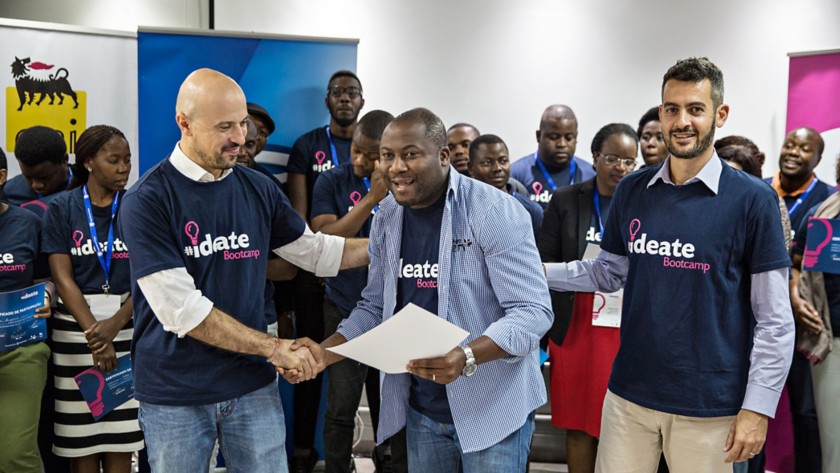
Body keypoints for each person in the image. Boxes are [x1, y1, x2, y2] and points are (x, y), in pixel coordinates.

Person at [543, 57, 794, 472]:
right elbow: (607, 272)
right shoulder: (633, 189)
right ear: (661, 113)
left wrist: (757, 408)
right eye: (672, 109)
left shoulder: (754, 200)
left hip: (712, 406)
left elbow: (774, 320)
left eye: (695, 109)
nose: (682, 121)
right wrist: (536, 274)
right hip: (629, 398)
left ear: (720, 114)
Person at [116, 68, 368, 473]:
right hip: (177, 393)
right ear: (184, 124)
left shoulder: (258, 187)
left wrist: (388, 249)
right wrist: (273, 348)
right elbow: (183, 310)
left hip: (251, 386)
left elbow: (315, 252)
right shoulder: (147, 200)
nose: (239, 137)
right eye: (224, 127)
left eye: (241, 124)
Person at [301, 108, 552, 472]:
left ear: (443, 156)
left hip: (493, 411)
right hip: (422, 412)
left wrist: (465, 357)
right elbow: (374, 307)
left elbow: (533, 312)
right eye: (388, 155)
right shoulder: (388, 215)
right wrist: (324, 354)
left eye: (411, 154)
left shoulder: (495, 211)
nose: (396, 166)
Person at [41, 125, 144, 472]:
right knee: (80, 444)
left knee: (123, 440)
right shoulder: (62, 208)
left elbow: (150, 275)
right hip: (74, 334)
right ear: (88, 162)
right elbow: (62, 277)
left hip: (128, 330)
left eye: (127, 160)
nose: (123, 168)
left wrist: (114, 325)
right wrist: (96, 337)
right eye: (113, 160)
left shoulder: (139, 206)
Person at [538, 123, 638, 473]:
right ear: (594, 158)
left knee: (625, 426)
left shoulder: (644, 201)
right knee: (580, 425)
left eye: (630, 162)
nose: (621, 169)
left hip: (627, 325)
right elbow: (543, 260)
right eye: (612, 158)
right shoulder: (567, 199)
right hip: (577, 323)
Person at [310, 110, 406, 473]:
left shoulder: (406, 185)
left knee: (392, 407)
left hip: (394, 311)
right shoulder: (332, 182)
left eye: (371, 154)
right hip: (343, 306)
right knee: (340, 407)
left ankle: (390, 466)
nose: (360, 160)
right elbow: (325, 239)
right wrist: (370, 198)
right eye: (356, 150)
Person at [285, 69, 366, 472]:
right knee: (315, 364)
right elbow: (304, 224)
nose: (345, 99)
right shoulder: (309, 146)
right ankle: (304, 449)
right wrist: (316, 257)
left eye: (352, 93)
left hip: (368, 284)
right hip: (315, 280)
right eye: (338, 93)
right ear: (328, 100)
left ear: (362, 101)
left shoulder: (384, 154)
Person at [764, 127, 833, 473]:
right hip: (759, 319)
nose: (794, 152)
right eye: (790, 144)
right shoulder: (759, 190)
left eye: (805, 148)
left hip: (806, 323)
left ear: (818, 160)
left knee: (808, 411)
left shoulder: (829, 201)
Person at [0, 146, 54, 473]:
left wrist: (47, 296)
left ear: (2, 177)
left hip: (19, 350)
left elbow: (48, 279)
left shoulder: (28, 223)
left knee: (16, 456)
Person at [790, 152, 840, 473]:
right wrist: (795, 294)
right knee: (833, 443)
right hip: (831, 341)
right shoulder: (821, 215)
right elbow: (794, 265)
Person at [510, 105, 595, 209]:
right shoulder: (516, 174)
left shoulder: (592, 175)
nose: (562, 144)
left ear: (576, 137)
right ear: (538, 136)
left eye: (569, 138)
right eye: (554, 137)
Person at [467, 133, 543, 239]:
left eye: (503, 161)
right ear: (471, 168)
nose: (497, 168)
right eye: (487, 163)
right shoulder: (461, 207)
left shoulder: (530, 210)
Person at [5, 126, 72, 218]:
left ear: (64, 160)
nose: (36, 185)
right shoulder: (9, 192)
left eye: (44, 178)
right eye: (28, 177)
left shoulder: (87, 188)